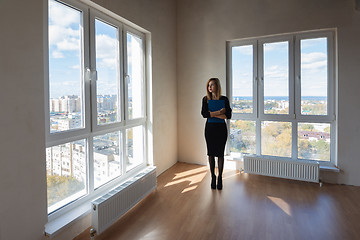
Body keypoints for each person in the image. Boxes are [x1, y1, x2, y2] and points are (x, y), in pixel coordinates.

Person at [201, 78, 232, 190]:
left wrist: (212, 114)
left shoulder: (224, 99)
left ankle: (220, 178)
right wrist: (219, 112)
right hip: (210, 129)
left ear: (217, 86)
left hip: (221, 129)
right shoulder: (205, 100)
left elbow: (228, 116)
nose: (210, 87)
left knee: (220, 154)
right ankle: (213, 176)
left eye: (212, 85)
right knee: (210, 154)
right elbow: (204, 114)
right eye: (209, 85)